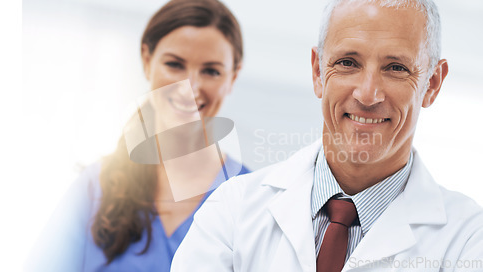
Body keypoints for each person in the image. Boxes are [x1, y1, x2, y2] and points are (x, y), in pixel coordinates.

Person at [170, 0, 483, 271]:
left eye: (396, 68)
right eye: (348, 63)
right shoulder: (232, 210)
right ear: (318, 72)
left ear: (432, 84)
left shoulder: (469, 239)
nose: (368, 94)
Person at [25, 0, 249, 271]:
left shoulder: (251, 199)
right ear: (147, 60)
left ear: (233, 78)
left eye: (211, 71)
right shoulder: (95, 187)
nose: (190, 86)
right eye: (175, 64)